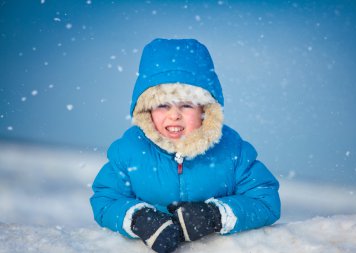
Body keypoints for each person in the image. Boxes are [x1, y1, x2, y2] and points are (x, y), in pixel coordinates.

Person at [90, 38, 281, 253]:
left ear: (205, 110)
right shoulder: (129, 150)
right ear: (147, 110)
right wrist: (139, 219)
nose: (174, 115)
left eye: (186, 105)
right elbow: (105, 200)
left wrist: (214, 216)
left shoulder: (231, 150)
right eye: (162, 105)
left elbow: (266, 201)